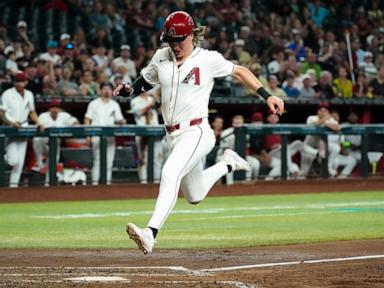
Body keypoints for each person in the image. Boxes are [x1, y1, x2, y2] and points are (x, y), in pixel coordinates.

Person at [113, 11, 284, 254]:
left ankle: (151, 233)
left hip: (197, 131)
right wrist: (129, 89)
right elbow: (146, 80)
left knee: (170, 172)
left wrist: (268, 95)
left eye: (179, 39)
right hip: (172, 135)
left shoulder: (207, 59)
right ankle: (228, 164)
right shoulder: (162, 56)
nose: (175, 45)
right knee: (194, 195)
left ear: (192, 35)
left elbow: (240, 71)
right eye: (171, 41)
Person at [1, 71, 42, 188]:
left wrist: (38, 121)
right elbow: (1, 114)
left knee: (19, 164)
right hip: (10, 129)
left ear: (26, 82)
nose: (19, 83)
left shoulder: (29, 94)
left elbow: (32, 111)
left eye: (21, 81)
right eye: (17, 81)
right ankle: (3, 156)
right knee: (12, 161)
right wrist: (11, 123)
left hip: (24, 128)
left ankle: (12, 189)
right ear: (14, 82)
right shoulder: (7, 94)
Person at [84, 81, 126, 185]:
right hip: (96, 136)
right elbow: (87, 119)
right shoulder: (93, 103)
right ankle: (95, 184)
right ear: (100, 90)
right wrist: (88, 135)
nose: (106, 91)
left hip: (110, 137)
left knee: (109, 162)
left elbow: (120, 119)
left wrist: (122, 121)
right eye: (104, 89)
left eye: (108, 89)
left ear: (112, 91)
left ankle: (107, 184)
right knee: (97, 160)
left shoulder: (115, 105)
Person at [33, 99, 79, 186]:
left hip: (55, 143)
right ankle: (39, 163)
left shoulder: (64, 115)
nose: (55, 109)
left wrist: (74, 124)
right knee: (37, 139)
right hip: (43, 141)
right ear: (49, 109)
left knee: (52, 163)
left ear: (60, 109)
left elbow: (75, 121)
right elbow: (37, 128)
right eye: (53, 107)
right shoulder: (43, 116)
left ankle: (48, 183)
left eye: (57, 107)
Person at [130, 86, 163, 184]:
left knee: (157, 158)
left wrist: (156, 99)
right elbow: (138, 111)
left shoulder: (151, 98)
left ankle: (156, 181)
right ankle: (143, 183)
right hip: (142, 133)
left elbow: (160, 110)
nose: (144, 90)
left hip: (155, 132)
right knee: (143, 160)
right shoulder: (135, 101)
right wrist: (152, 101)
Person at [300, 103, 341, 178]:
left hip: (320, 148)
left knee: (336, 148)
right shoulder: (311, 118)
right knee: (303, 173)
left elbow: (338, 127)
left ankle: (328, 168)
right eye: (321, 111)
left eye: (325, 111)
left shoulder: (329, 120)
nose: (323, 112)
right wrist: (325, 120)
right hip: (309, 148)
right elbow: (314, 124)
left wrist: (326, 122)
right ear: (317, 112)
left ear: (328, 112)